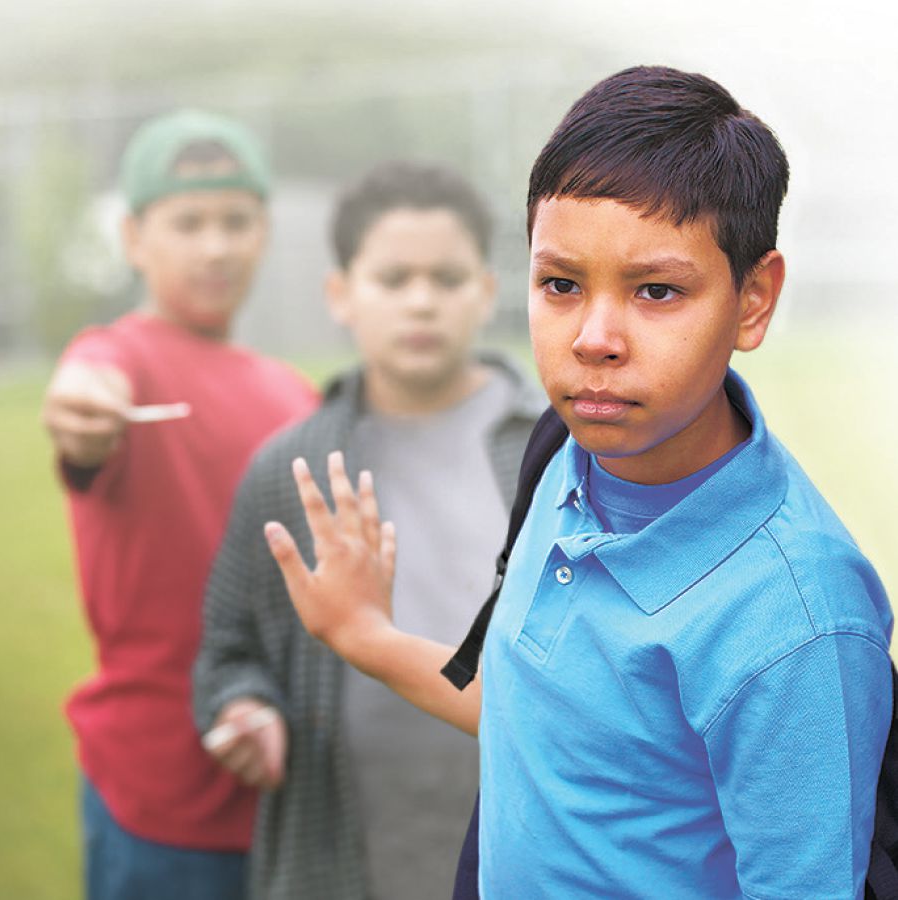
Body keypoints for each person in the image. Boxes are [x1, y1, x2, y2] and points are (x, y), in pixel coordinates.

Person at [264, 66, 894, 899]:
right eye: (561, 284)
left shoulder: (794, 622)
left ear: (753, 300)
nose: (594, 339)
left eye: (657, 291)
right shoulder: (566, 451)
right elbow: (544, 723)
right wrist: (365, 635)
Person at [192, 160, 545, 900]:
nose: (421, 301)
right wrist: (245, 708)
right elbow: (229, 649)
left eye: (447, 278)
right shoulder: (288, 470)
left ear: (486, 292)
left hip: (526, 852)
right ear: (340, 294)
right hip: (346, 857)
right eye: (393, 279)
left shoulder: (558, 449)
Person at [42, 109, 319, 900]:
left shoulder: (291, 393)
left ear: (264, 232)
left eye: (236, 221)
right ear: (135, 238)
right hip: (156, 798)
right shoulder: (117, 355)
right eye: (188, 223)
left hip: (283, 789)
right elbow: (87, 393)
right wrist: (83, 408)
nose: (216, 247)